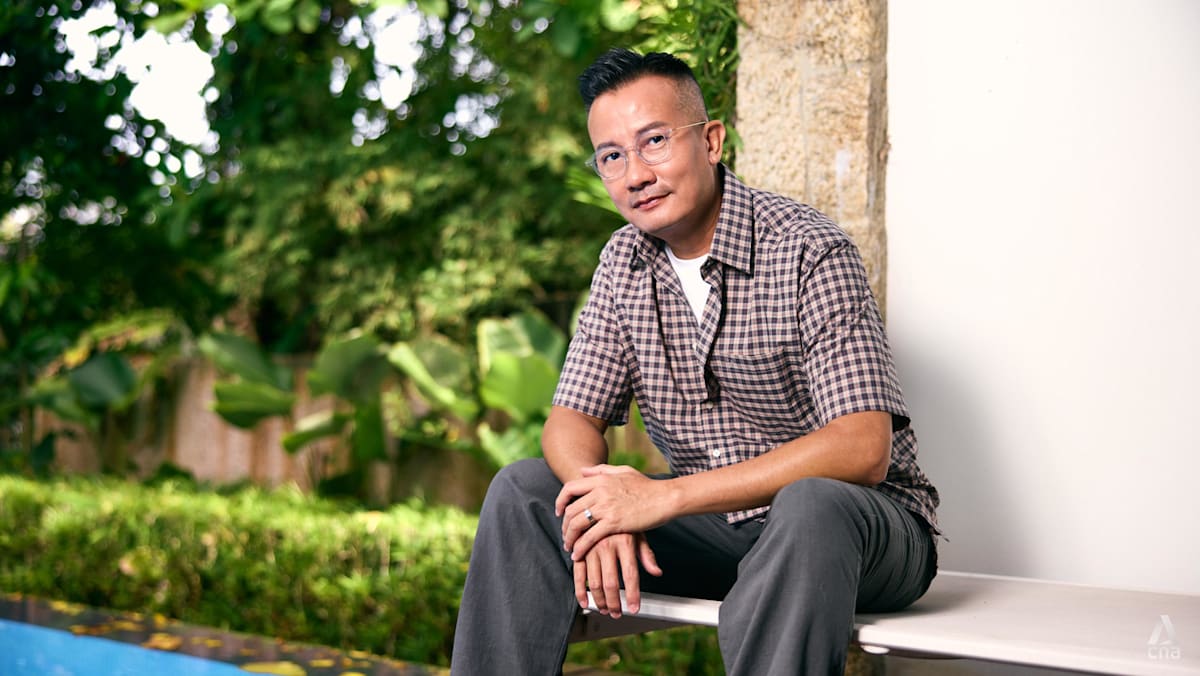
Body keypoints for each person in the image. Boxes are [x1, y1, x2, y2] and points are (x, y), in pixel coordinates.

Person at [451, 48, 940, 676]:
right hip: (716, 532)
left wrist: (661, 499)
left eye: (654, 142)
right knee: (523, 491)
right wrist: (604, 509)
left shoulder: (808, 250)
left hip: (860, 535)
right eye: (611, 156)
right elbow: (570, 420)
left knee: (811, 504)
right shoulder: (623, 263)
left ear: (711, 141)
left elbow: (862, 447)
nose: (635, 174)